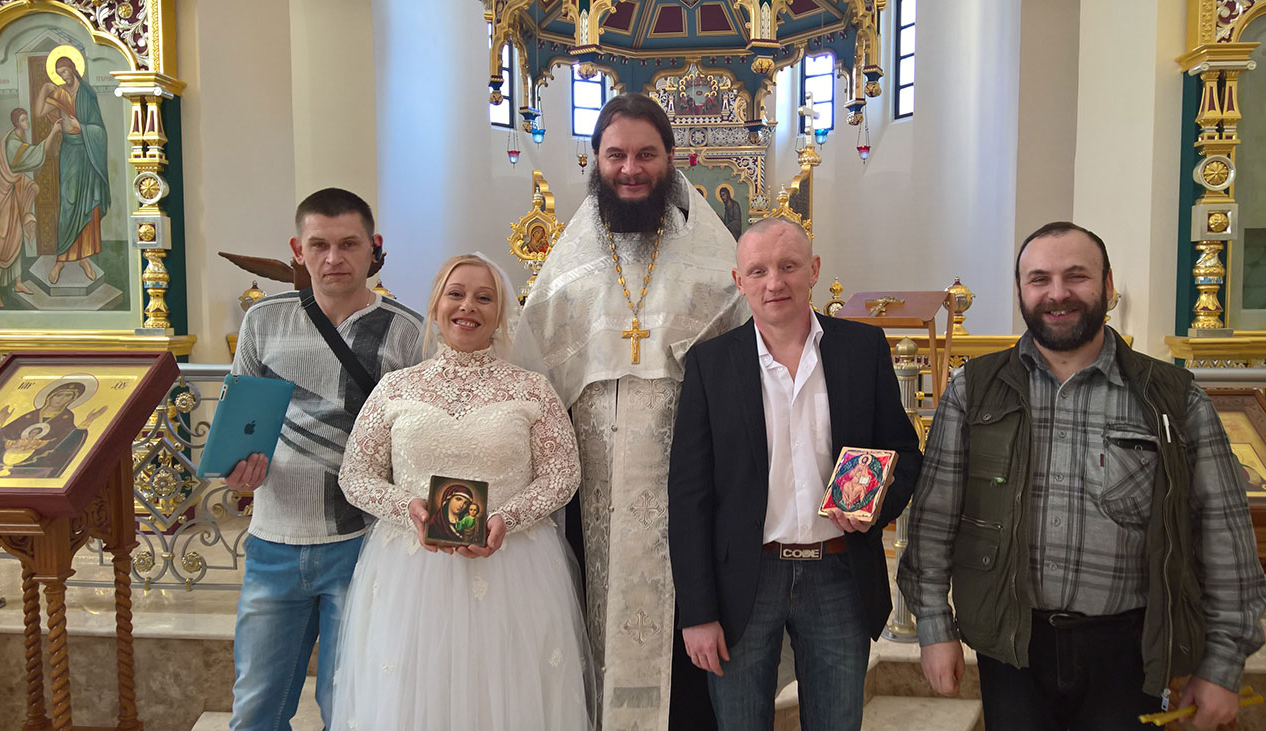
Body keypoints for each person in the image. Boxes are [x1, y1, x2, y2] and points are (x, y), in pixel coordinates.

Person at [898, 221, 1266, 731]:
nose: (1058, 294)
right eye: (1039, 279)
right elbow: (935, 521)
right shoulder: (975, 390)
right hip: (1012, 644)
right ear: (1022, 291)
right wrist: (935, 627)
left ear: (1108, 286)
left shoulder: (1173, 398)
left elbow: (1225, 540)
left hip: (1129, 650)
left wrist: (1222, 665)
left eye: (1077, 276)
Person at [514, 91, 748, 731]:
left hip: (685, 485)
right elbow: (534, 375)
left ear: (671, 159)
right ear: (595, 161)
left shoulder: (710, 260)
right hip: (588, 490)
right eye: (615, 155)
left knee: (686, 632)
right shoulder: (570, 265)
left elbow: (741, 372)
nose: (630, 168)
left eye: (646, 154)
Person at [667, 218, 922, 730]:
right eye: (758, 271)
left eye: (788, 267)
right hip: (745, 579)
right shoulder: (710, 365)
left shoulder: (862, 350)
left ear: (814, 270)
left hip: (837, 574)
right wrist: (697, 612)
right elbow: (688, 496)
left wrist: (872, 510)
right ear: (739, 282)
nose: (774, 283)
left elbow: (905, 454)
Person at [333, 254, 593, 730]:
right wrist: (407, 507)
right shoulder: (396, 388)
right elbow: (355, 475)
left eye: (484, 296)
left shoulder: (532, 390)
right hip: (412, 570)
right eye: (456, 293)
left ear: (500, 313)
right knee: (416, 693)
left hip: (512, 566)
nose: (467, 306)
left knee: (505, 691)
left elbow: (562, 475)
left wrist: (506, 519)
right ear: (435, 305)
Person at [225, 188, 423, 730]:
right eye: (319, 245)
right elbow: (240, 418)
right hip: (275, 538)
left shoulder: (407, 331)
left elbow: (420, 432)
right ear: (297, 248)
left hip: (363, 542)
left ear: (373, 248)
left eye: (348, 244)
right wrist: (236, 468)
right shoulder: (263, 321)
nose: (333, 258)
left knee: (351, 707)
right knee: (255, 709)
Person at [36, 54, 111, 285]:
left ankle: (84, 258)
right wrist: (45, 88)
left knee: (88, 205)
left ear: (73, 69)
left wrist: (83, 126)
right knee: (69, 204)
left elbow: (100, 130)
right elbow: (39, 112)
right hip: (69, 152)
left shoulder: (87, 94)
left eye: (64, 72)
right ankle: (61, 260)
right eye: (58, 74)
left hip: (87, 153)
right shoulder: (58, 93)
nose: (62, 76)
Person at [0, 108, 61, 307]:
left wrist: (27, 184)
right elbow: (28, 159)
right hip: (1, 196)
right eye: (22, 119)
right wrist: (52, 134)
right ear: (16, 123)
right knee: (4, 241)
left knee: (16, 237)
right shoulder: (12, 143)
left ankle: (18, 282)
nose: (26, 121)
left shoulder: (19, 138)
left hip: (11, 192)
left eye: (27, 117)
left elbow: (17, 170)